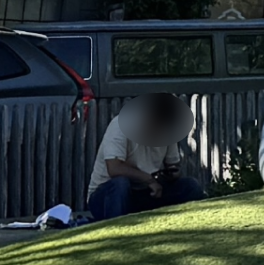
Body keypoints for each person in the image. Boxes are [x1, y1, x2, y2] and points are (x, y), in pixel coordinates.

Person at [83, 95, 203, 224]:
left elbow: (173, 165)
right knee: (120, 184)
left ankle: (188, 226)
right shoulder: (119, 126)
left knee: (190, 185)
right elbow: (114, 168)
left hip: (147, 192)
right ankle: (116, 229)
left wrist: (171, 174)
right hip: (108, 196)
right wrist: (148, 179)